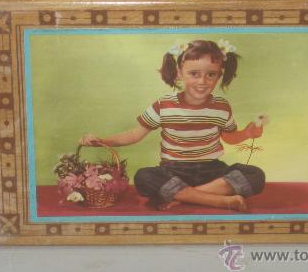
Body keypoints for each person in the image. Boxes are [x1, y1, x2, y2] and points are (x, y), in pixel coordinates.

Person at [79, 39, 268, 212]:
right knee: (144, 177)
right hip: (174, 171)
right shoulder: (164, 105)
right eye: (194, 74)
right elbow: (134, 134)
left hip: (212, 170)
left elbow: (229, 137)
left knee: (255, 175)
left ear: (219, 75)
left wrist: (247, 133)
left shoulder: (221, 106)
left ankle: (184, 197)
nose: (202, 81)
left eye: (211, 74)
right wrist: (102, 141)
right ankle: (219, 200)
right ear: (179, 73)